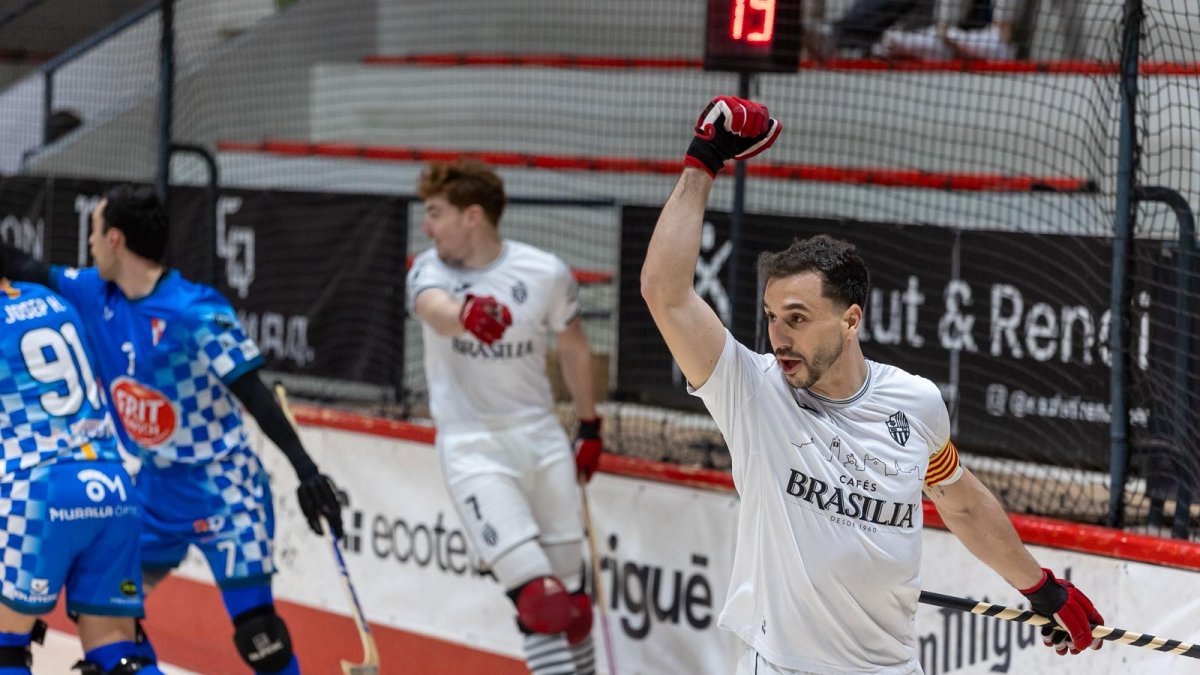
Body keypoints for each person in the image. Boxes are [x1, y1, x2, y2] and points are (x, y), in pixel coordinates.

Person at [640, 96, 1105, 674]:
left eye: (798, 318)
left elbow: (958, 501)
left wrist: (1040, 588)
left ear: (851, 319)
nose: (778, 336)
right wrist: (702, 160)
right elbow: (665, 291)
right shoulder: (751, 391)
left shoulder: (915, 402)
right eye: (770, 316)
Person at [2, 184, 344, 675]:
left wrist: (306, 471)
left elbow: (257, 397)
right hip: (151, 492)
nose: (90, 245)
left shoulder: (195, 312)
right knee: (108, 619)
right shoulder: (93, 292)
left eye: (95, 233)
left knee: (258, 635)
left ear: (115, 239)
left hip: (223, 489)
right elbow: (23, 268)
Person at [406, 159, 604, 675]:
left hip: (541, 439)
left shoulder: (545, 271)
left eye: (435, 213)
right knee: (541, 602)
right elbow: (433, 310)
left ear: (472, 216)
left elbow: (574, 348)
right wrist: (465, 315)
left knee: (576, 610)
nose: (427, 227)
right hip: (474, 447)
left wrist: (589, 425)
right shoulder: (431, 270)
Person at [0, 257, 164, 674]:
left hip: (36, 495)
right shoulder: (52, 302)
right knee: (117, 651)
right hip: (111, 485)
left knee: (5, 647)